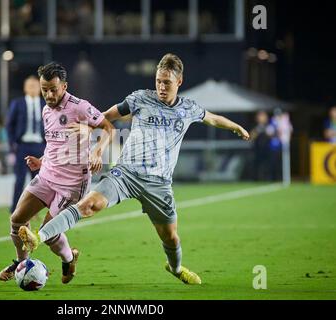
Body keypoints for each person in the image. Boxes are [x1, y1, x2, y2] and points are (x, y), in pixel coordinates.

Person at [18, 54, 250, 285]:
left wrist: (236, 127)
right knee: (88, 205)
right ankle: (39, 237)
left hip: (158, 184)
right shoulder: (140, 98)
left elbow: (214, 119)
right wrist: (89, 129)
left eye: (166, 82)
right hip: (126, 174)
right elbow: (106, 117)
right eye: (158, 80)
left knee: (170, 236)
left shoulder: (188, 108)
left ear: (179, 82)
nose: (160, 86)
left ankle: (176, 267)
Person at [0, 62, 114, 284]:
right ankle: (21, 263)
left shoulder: (80, 107)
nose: (49, 95)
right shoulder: (45, 109)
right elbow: (54, 143)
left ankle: (69, 258)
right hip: (48, 174)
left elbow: (109, 127)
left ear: (65, 86)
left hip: (72, 184)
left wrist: (98, 152)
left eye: (53, 89)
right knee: (17, 221)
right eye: (44, 90)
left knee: (47, 234)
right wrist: (41, 161)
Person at [6, 76, 46, 213]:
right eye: (29, 85)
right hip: (22, 146)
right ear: (24, 88)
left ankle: (36, 208)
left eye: (35, 85)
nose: (32, 88)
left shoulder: (44, 104)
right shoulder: (18, 103)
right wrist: (13, 145)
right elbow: (9, 125)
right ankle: (15, 209)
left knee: (40, 179)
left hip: (40, 146)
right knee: (20, 179)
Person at [250, 111, 271, 181]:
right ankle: (257, 179)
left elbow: (272, 136)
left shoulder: (269, 126)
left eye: (262, 116)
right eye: (259, 116)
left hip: (267, 150)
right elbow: (251, 137)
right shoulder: (255, 127)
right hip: (257, 150)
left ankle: (268, 179)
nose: (260, 118)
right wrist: (257, 130)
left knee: (267, 166)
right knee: (257, 166)